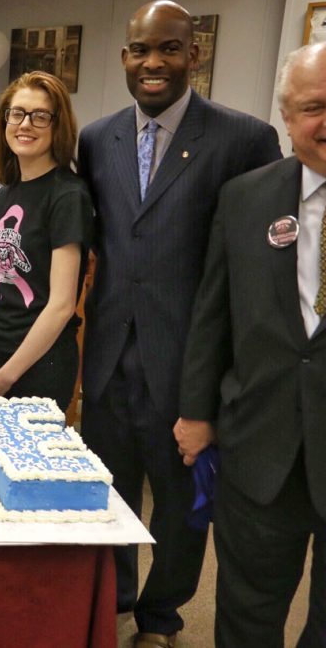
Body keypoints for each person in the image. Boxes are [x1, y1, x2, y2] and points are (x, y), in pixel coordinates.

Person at [77, 0, 281, 648]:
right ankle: (115, 598)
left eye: (169, 48)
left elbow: (253, 270)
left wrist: (225, 382)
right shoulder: (96, 137)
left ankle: (162, 617)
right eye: (141, 49)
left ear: (195, 53)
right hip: (109, 355)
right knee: (108, 491)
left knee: (180, 503)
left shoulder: (244, 140)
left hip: (189, 362)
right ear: (124, 57)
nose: (153, 62)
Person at [177, 42, 326, 648]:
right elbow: (213, 313)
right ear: (286, 118)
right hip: (261, 444)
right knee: (247, 615)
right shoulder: (246, 197)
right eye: (315, 107)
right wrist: (195, 410)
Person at [0, 71, 91, 413]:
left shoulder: (67, 195)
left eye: (40, 116)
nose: (25, 124)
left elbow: (63, 305)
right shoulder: (6, 194)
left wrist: (8, 374)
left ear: (58, 125)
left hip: (39, 367)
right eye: (17, 113)